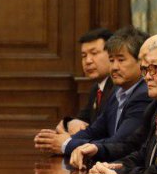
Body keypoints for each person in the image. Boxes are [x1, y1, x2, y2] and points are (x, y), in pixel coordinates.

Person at [70, 34, 157, 171]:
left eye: (153, 67)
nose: (147, 76)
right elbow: (138, 151)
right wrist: (109, 162)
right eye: (145, 68)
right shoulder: (155, 107)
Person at [62, 26, 152, 162]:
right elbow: (95, 130)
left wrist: (66, 144)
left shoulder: (144, 94)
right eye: (111, 60)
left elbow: (118, 143)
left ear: (141, 62)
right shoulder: (116, 91)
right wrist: (66, 140)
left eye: (121, 60)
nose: (114, 67)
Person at [34, 28, 113, 154]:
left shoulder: (118, 89)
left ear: (112, 55)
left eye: (94, 53)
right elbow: (82, 119)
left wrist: (68, 142)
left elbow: (105, 135)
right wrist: (70, 123)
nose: (88, 61)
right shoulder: (97, 88)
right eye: (84, 56)